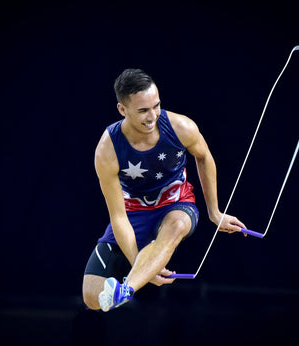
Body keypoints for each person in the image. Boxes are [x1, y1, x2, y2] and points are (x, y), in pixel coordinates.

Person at [82, 69, 246, 312]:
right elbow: (118, 216)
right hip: (133, 214)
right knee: (91, 297)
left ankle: (126, 290)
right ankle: (122, 290)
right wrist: (144, 268)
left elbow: (204, 157)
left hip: (176, 205)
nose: (152, 116)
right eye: (143, 111)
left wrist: (215, 211)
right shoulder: (107, 150)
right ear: (122, 110)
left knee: (177, 225)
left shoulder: (181, 127)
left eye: (156, 106)